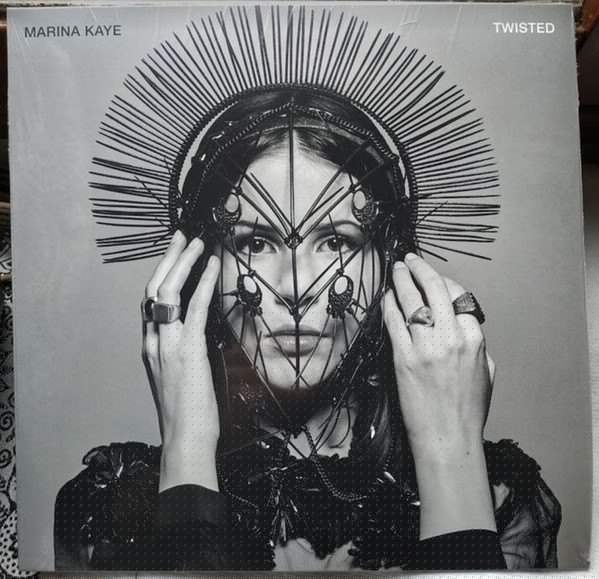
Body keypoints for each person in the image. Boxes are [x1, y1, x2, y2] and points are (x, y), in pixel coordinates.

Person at [54, 88, 560, 571]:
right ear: (199, 267)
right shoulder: (108, 505)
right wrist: (186, 449)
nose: (295, 287)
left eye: (336, 241)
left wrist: (451, 457)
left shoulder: (497, 498)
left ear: (390, 263)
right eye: (255, 243)